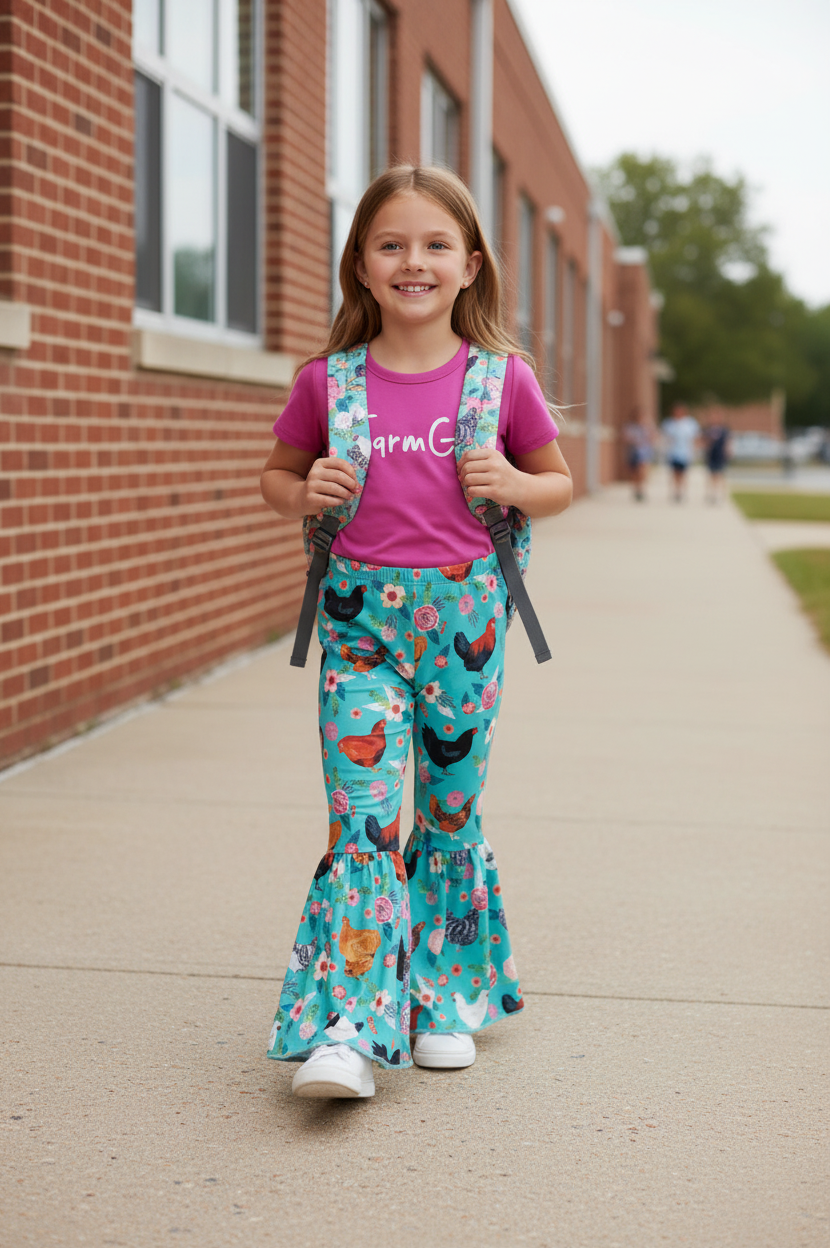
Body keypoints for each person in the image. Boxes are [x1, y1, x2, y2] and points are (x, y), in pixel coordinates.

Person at [260, 165, 572, 1098]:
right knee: (362, 820)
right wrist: (300, 491)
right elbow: (276, 476)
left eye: (436, 245)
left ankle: (441, 996)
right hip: (359, 627)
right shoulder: (328, 382)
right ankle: (349, 1022)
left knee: (446, 812)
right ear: (360, 265)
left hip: (466, 626)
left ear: (470, 266)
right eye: (391, 244)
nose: (414, 262)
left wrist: (514, 487)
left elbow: (556, 482)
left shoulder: (501, 379)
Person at [661, 402, 700, 502]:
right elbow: (665, 438)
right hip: (673, 452)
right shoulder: (669, 423)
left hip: (685, 452)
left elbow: (695, 438)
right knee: (674, 473)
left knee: (683, 473)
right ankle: (676, 492)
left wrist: (694, 450)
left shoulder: (690, 423)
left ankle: (682, 492)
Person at [622, 407, 654, 501]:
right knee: (634, 472)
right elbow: (625, 438)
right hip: (633, 452)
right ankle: (636, 489)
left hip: (644, 452)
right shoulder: (629, 426)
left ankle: (641, 490)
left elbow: (653, 437)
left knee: (642, 471)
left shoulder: (647, 427)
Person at [703, 419, 730, 503]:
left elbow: (727, 442)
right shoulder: (708, 430)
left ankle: (721, 495)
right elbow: (704, 442)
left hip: (720, 456)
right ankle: (712, 494)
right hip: (711, 456)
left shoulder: (724, 431)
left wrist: (728, 452)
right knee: (711, 476)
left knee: (720, 475)